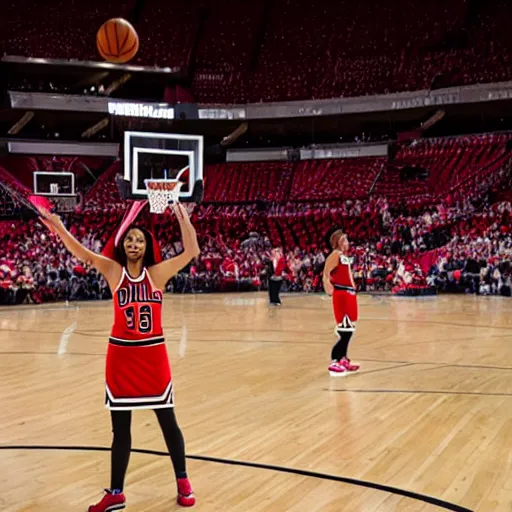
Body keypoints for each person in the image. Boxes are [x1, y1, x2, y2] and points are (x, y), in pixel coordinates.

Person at [37, 201, 200, 510]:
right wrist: (58, 226)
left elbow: (191, 250)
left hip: (153, 358)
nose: (134, 243)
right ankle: (116, 493)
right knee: (120, 429)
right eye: (129, 239)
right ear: (123, 245)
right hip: (122, 358)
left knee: (169, 423)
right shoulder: (114, 271)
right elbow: (83, 253)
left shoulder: (158, 273)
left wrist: (183, 217)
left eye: (139, 239)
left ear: (148, 246)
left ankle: (183, 482)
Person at [322, 229, 360, 376]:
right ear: (338, 241)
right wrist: (329, 287)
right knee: (345, 330)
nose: (348, 243)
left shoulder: (343, 256)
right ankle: (334, 360)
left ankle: (343, 358)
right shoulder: (335, 255)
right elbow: (326, 273)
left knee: (349, 328)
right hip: (342, 293)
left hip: (349, 293)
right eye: (345, 240)